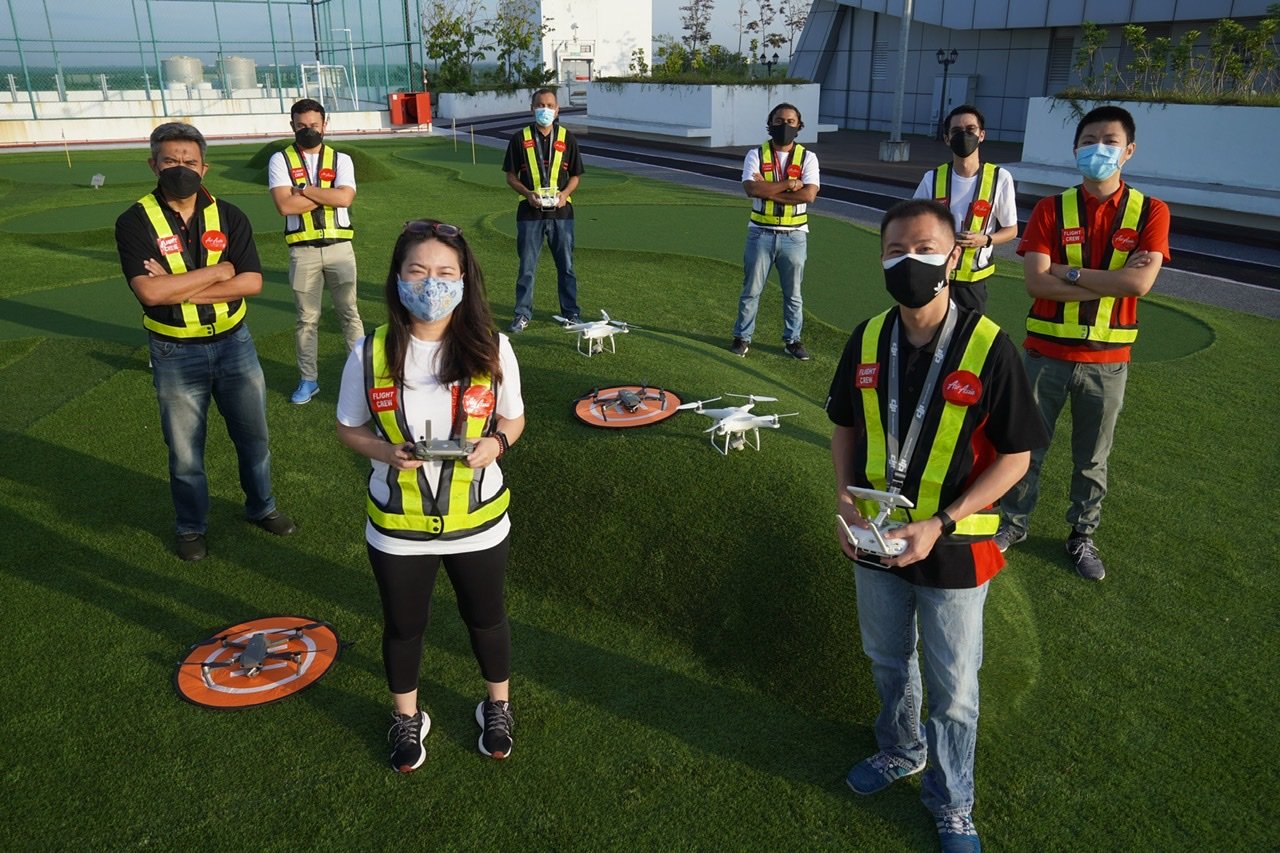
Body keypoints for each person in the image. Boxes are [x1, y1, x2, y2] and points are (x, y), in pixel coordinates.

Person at [826, 199, 1046, 853]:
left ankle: (953, 803)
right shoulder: (867, 337)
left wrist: (941, 522)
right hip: (878, 536)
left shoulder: (988, 346)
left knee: (954, 688)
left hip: (954, 546)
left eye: (923, 248)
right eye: (895, 250)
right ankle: (901, 748)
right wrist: (843, 498)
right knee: (888, 658)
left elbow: (1018, 455)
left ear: (953, 257)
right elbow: (844, 423)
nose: (908, 261)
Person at [336, 219, 525, 773]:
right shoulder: (368, 351)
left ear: (465, 279)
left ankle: (497, 706)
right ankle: (406, 717)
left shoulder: (492, 347)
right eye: (418, 271)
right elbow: (348, 427)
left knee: (486, 619)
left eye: (445, 272)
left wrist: (495, 443)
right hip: (398, 525)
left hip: (481, 520)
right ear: (397, 279)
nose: (431, 283)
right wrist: (382, 451)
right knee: (403, 626)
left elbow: (514, 419)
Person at [996, 104, 1170, 581]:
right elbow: (1036, 283)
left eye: (1110, 141)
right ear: (1076, 149)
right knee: (1026, 448)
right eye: (1089, 140)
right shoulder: (1052, 208)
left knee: (1093, 458)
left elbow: (1139, 286)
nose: (1100, 149)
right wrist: (1110, 278)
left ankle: (1081, 535)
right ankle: (1013, 523)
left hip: (1108, 362)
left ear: (1128, 151)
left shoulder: (1150, 210)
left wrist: (1068, 273)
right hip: (1044, 355)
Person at [115, 122, 296, 562]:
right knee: (184, 451)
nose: (181, 169)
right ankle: (191, 527)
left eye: (189, 162)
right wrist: (219, 272)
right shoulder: (135, 220)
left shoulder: (230, 215)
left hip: (235, 343)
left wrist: (179, 284)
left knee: (254, 439)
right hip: (175, 350)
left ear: (204, 167)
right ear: (153, 164)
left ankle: (261, 507)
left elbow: (251, 283)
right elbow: (151, 293)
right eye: (171, 161)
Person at [268, 98, 364, 404]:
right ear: (292, 126)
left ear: (325, 124)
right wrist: (328, 195)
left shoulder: (342, 159)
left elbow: (346, 199)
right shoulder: (280, 160)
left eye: (313, 125)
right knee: (307, 319)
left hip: (340, 248)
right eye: (301, 126)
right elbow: (285, 205)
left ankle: (362, 377)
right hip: (303, 250)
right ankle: (308, 380)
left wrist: (305, 190)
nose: (308, 130)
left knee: (349, 313)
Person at [730, 102, 821, 361]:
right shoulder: (755, 154)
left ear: (799, 126)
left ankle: (793, 340)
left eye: (791, 122)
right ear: (770, 125)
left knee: (793, 294)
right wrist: (789, 185)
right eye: (779, 121)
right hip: (760, 233)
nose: (785, 126)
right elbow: (751, 189)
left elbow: (810, 195)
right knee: (751, 290)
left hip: (795, 235)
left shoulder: (808, 157)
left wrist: (769, 188)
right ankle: (742, 337)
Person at [912, 104, 1019, 315]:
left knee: (968, 341)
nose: (964, 135)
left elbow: (1011, 230)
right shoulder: (932, 178)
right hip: (935, 275)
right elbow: (913, 222)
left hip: (973, 283)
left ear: (981, 135)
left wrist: (985, 240)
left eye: (970, 130)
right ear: (947, 139)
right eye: (956, 132)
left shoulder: (1000, 178)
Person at [501, 87, 583, 333]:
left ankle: (571, 314)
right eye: (540, 105)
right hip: (529, 213)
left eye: (550, 106)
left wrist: (564, 195)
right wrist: (528, 194)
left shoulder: (567, 138)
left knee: (566, 267)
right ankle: (522, 314)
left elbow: (576, 176)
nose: (545, 110)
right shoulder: (519, 138)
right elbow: (510, 176)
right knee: (527, 267)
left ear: (557, 110)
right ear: (532, 108)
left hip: (562, 213)